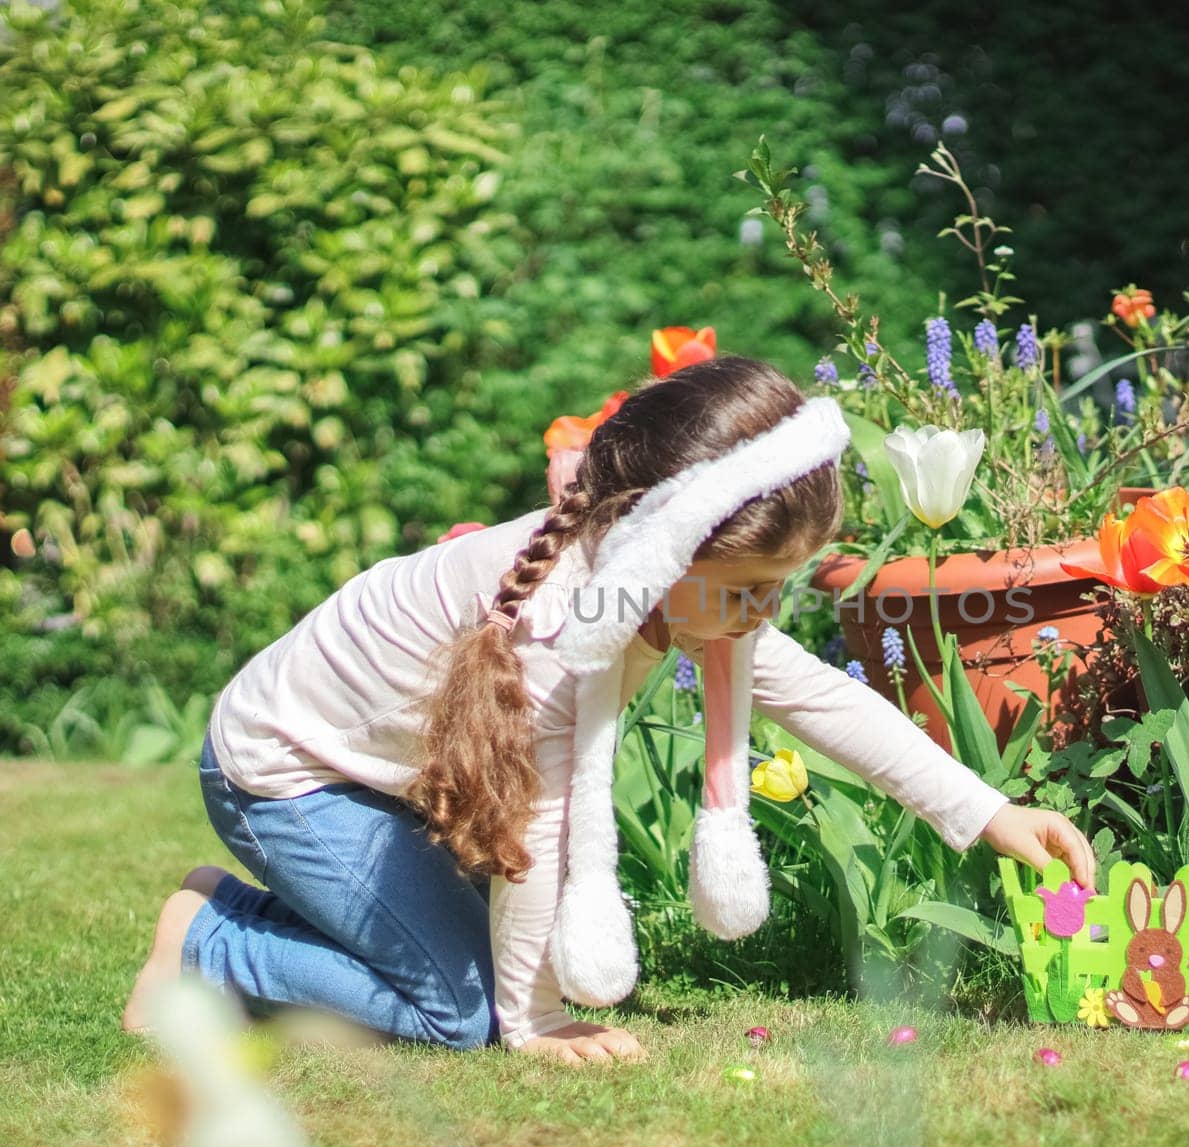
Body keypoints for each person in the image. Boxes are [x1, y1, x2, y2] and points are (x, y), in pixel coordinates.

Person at [121, 356, 1095, 1064]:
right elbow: (534, 833)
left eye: (779, 586)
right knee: (456, 1015)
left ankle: (250, 918)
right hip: (289, 772)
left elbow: (817, 695)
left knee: (451, 960)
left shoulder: (688, 588)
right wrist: (531, 1019)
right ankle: (208, 937)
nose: (762, 612)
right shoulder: (556, 632)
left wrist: (990, 812)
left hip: (382, 773)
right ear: (657, 544)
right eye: (749, 585)